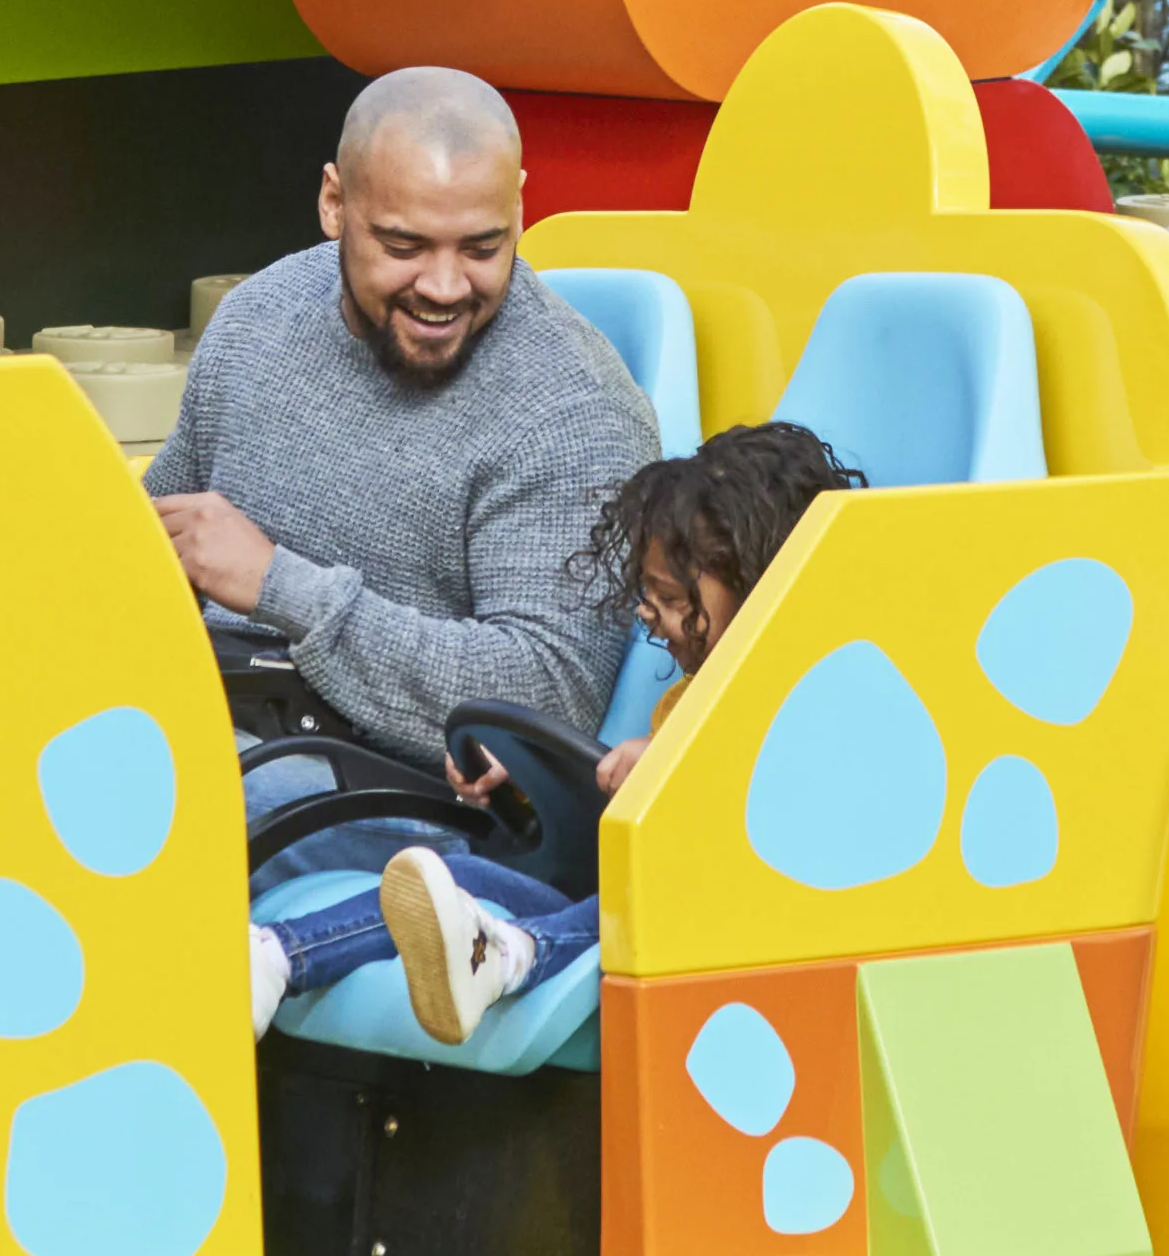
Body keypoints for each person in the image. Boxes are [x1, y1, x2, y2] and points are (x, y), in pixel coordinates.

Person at [155, 63, 663, 777]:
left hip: (400, 789)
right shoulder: (258, 317)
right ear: (334, 204)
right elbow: (158, 538)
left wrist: (279, 585)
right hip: (203, 707)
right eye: (404, 247)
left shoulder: (573, 410)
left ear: (519, 209)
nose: (445, 287)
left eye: (482, 248)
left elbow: (546, 699)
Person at [278, 424, 853, 1054]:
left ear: (758, 587)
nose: (646, 613)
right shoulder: (684, 702)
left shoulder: (810, 704)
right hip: (604, 897)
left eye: (668, 596)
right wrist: (527, 785)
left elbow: (757, 833)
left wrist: (670, 767)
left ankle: (513, 954)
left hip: (695, 934)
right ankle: (276, 957)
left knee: (644, 904)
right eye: (647, 593)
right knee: (463, 874)